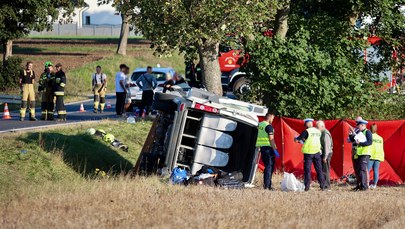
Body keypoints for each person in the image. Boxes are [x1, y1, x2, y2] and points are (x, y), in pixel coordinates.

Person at [294, 118, 326, 191]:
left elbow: (298, 139)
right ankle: (322, 186)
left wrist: (295, 139)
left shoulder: (306, 131)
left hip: (308, 153)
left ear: (307, 124)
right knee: (319, 170)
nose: (305, 126)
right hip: (317, 153)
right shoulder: (318, 131)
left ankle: (307, 186)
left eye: (305, 124)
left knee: (307, 170)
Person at [256, 112, 280, 190]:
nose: (272, 120)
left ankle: (267, 184)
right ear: (269, 117)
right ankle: (267, 186)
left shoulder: (260, 125)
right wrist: (275, 150)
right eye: (272, 118)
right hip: (268, 149)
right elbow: (271, 139)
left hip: (262, 148)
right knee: (269, 167)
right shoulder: (269, 127)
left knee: (267, 167)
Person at [353, 119, 373, 191]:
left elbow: (370, 142)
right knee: (359, 170)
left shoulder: (367, 132)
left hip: (365, 153)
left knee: (362, 170)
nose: (358, 127)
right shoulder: (360, 132)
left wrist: (360, 144)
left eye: (358, 125)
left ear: (362, 125)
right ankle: (360, 186)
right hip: (359, 154)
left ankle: (364, 187)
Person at [316, 120, 333, 190]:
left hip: (326, 154)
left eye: (318, 127)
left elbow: (327, 146)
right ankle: (323, 185)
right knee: (323, 170)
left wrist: (325, 157)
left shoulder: (325, 134)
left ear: (322, 126)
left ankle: (327, 186)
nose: (317, 128)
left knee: (325, 170)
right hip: (324, 153)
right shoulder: (321, 133)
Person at [348, 116, 363, 190]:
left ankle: (363, 184)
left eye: (358, 122)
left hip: (361, 150)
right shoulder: (354, 129)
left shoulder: (362, 130)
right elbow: (349, 139)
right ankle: (358, 184)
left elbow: (358, 139)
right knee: (356, 168)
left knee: (361, 168)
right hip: (354, 149)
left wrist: (353, 134)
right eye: (356, 122)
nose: (356, 123)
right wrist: (351, 135)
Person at [368, 123, 384, 189]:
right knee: (376, 170)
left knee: (367, 171)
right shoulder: (380, 138)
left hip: (371, 155)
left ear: (370, 129)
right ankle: (374, 185)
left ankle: (366, 184)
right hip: (378, 155)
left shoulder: (369, 137)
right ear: (376, 129)